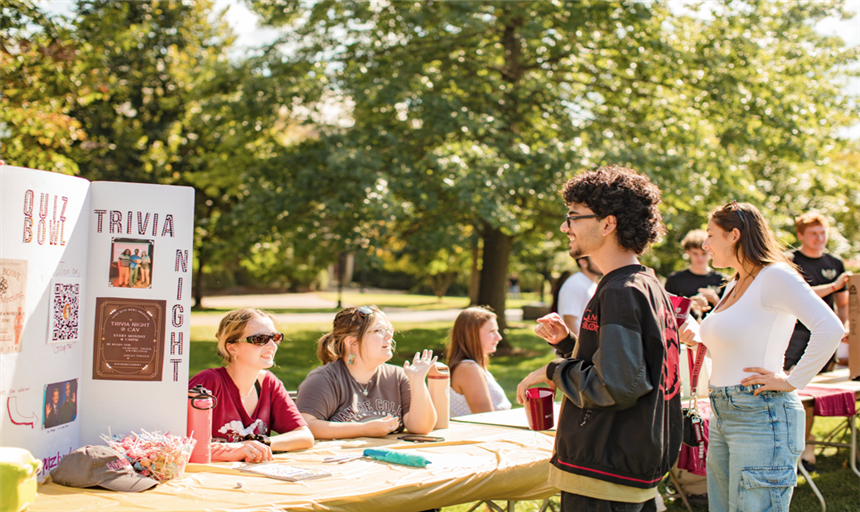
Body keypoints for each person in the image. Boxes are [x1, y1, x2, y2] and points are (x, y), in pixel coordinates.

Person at [516, 165, 682, 512]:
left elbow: (616, 385)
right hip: (625, 468)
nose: (565, 226)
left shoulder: (621, 291)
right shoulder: (646, 284)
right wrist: (568, 345)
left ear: (608, 224)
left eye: (574, 216)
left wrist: (551, 372)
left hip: (606, 472)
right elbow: (634, 366)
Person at [682, 201, 843, 512]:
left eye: (710, 234)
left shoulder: (776, 276)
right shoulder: (734, 283)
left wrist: (792, 380)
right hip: (723, 410)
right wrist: (696, 335)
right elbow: (736, 340)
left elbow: (830, 328)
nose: (705, 244)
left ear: (734, 236)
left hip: (761, 412)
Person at [189, 308, 313, 462]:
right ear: (232, 347)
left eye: (275, 338)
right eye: (259, 339)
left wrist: (259, 444)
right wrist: (233, 451)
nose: (271, 346)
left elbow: (304, 436)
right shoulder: (208, 383)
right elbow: (178, 443)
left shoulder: (269, 383)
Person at [296, 305, 437, 439]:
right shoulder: (323, 380)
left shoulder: (399, 376)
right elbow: (307, 426)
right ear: (353, 343)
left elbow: (421, 428)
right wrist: (364, 429)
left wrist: (417, 380)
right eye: (379, 330)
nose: (389, 336)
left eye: (389, 329)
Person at [783, 212, 851, 472]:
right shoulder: (790, 261)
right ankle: (788, 447)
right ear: (800, 235)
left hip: (823, 335)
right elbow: (798, 295)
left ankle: (807, 449)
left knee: (814, 392)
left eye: (823, 233)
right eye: (813, 233)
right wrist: (833, 286)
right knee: (793, 390)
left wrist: (843, 328)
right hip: (794, 334)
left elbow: (843, 304)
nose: (819, 238)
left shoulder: (835, 262)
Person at [446, 307, 512, 417]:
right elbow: (486, 419)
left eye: (497, 331)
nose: (499, 337)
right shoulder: (468, 369)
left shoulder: (475, 366)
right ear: (471, 334)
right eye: (491, 331)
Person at [664, 229, 726, 318]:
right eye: (695, 253)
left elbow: (731, 315)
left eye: (704, 253)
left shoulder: (723, 280)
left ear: (711, 251)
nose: (700, 258)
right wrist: (688, 304)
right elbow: (666, 312)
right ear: (688, 252)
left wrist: (716, 301)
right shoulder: (674, 279)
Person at [557, 256, 601, 335]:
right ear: (583, 262)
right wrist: (579, 346)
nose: (601, 261)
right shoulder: (575, 284)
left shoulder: (592, 284)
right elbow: (569, 321)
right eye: (595, 258)